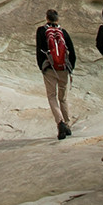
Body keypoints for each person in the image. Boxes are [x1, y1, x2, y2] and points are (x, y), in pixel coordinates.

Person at [35, 8, 75, 139]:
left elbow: (39, 49)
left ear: (47, 18)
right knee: (63, 98)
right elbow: (72, 52)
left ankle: (60, 122)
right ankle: (67, 124)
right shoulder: (63, 32)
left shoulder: (41, 31)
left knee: (52, 96)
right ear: (57, 19)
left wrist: (42, 66)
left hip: (49, 68)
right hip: (63, 68)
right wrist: (70, 67)